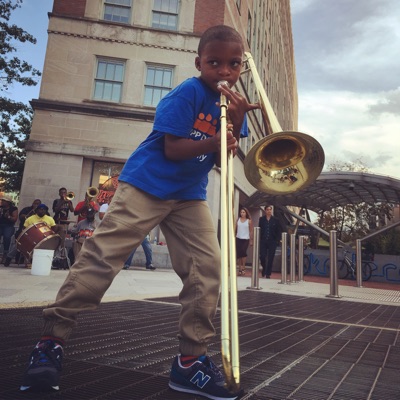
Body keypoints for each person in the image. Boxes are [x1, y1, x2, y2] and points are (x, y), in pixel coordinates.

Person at [20, 25, 259, 400]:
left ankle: (190, 361)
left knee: (206, 269)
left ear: (241, 67)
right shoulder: (187, 92)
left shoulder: (234, 104)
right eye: (215, 63)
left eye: (233, 64)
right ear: (199, 63)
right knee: (102, 258)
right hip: (146, 183)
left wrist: (237, 124)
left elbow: (223, 154)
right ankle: (52, 340)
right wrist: (215, 140)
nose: (224, 71)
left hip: (188, 196)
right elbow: (173, 148)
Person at [4, 199, 41, 266]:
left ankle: (31, 261)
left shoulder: (44, 215)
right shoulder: (27, 210)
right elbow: (22, 217)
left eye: (38, 204)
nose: (36, 205)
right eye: (35, 203)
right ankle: (9, 258)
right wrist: (31, 212)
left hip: (37, 235)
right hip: (25, 232)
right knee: (19, 244)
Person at [259, 205, 282, 279]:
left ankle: (268, 273)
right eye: (267, 210)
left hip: (272, 241)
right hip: (263, 240)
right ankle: (264, 268)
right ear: (265, 211)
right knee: (262, 256)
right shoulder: (261, 219)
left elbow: (279, 231)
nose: (269, 211)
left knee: (271, 257)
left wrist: (277, 240)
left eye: (270, 210)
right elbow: (260, 230)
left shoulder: (276, 220)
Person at [0, 195, 18, 265]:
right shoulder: (0, 208)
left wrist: (8, 217)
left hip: (8, 225)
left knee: (7, 237)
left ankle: (5, 254)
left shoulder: (13, 209)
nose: (2, 202)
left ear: (8, 202)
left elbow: (15, 219)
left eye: (4, 201)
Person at [235, 207, 253, 275]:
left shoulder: (249, 221)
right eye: (241, 212)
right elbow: (235, 229)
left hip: (246, 239)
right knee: (239, 254)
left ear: (246, 213)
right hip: (238, 238)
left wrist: (251, 240)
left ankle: (243, 267)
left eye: (243, 212)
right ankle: (239, 268)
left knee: (243, 252)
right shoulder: (238, 220)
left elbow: (251, 230)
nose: (242, 213)